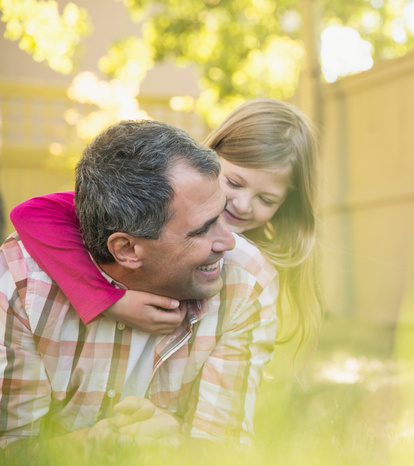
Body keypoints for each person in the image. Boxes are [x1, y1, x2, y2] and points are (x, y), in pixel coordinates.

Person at [0, 120, 278, 448]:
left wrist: (174, 442)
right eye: (202, 229)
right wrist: (92, 445)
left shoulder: (245, 281)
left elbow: (224, 449)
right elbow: (12, 447)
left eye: (221, 215)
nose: (228, 242)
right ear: (128, 250)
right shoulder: (22, 283)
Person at [10, 99, 322, 358]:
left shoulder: (254, 274)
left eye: (266, 199)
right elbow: (32, 212)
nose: (242, 205)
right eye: (234, 183)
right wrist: (109, 299)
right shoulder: (163, 198)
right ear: (211, 157)